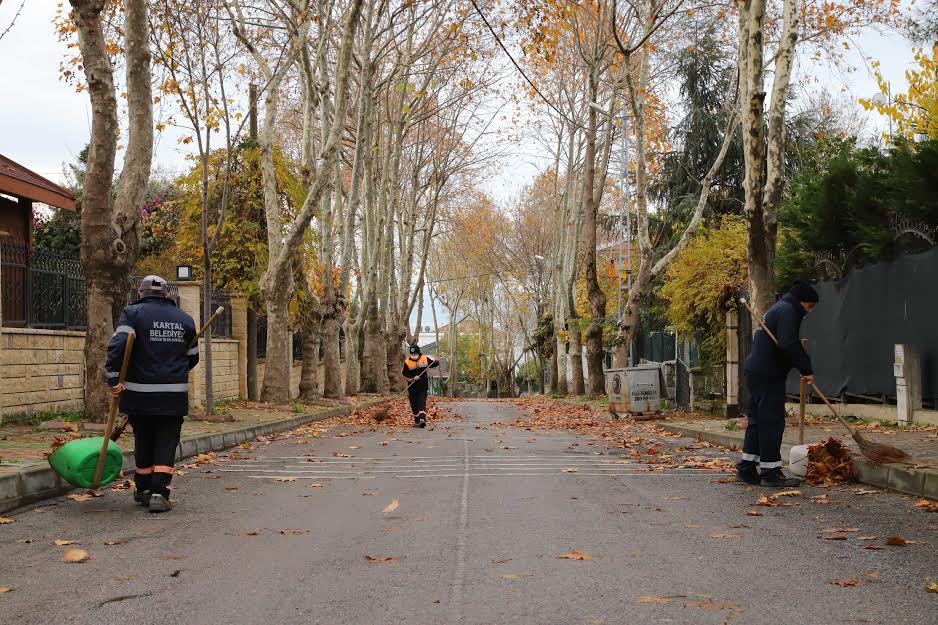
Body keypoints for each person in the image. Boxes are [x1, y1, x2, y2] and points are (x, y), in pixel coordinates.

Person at [106, 276, 199, 512]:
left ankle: (144, 488)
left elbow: (118, 346)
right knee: (166, 443)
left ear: (141, 293)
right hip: (173, 396)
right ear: (167, 295)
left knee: (144, 440)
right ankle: (159, 493)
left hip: (139, 395)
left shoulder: (132, 314)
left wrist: (114, 378)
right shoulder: (185, 319)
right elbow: (192, 357)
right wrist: (172, 372)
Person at [737, 280, 819, 488]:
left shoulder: (779, 308)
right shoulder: (789, 310)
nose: (809, 313)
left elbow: (783, 342)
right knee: (771, 422)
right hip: (768, 374)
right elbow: (788, 342)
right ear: (802, 302)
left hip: (756, 371)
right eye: (809, 307)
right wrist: (806, 368)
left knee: (757, 420)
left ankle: (747, 467)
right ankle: (771, 472)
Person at [401, 344, 439, 428]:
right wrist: (412, 378)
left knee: (421, 401)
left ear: (418, 353)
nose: (414, 356)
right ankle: (417, 419)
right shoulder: (407, 362)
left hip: (422, 385)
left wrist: (436, 361)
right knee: (414, 404)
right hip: (412, 386)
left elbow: (433, 364)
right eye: (412, 354)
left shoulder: (425, 359)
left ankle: (422, 419)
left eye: (415, 354)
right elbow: (404, 374)